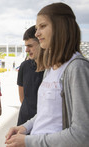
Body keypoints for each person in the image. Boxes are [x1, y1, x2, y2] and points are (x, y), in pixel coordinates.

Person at [5, 2, 89, 147]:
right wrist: (25, 127)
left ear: (61, 27)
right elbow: (46, 114)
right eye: (37, 28)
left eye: (43, 26)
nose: (37, 33)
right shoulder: (51, 69)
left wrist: (27, 141)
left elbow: (81, 135)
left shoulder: (77, 68)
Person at [17, 25, 44, 126]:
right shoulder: (24, 66)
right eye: (26, 46)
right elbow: (23, 98)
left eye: (30, 46)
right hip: (24, 122)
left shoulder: (53, 69)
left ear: (42, 42)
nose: (26, 50)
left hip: (44, 126)